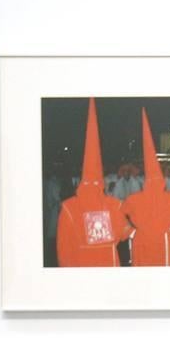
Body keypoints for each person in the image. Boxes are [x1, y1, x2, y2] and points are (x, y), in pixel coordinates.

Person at [55, 98, 130, 267]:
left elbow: (63, 247)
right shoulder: (114, 205)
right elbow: (122, 234)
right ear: (101, 181)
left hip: (80, 267)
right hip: (108, 265)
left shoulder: (68, 207)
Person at [123, 108, 170, 267]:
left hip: (144, 241)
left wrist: (130, 232)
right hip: (161, 239)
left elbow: (117, 215)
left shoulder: (133, 199)